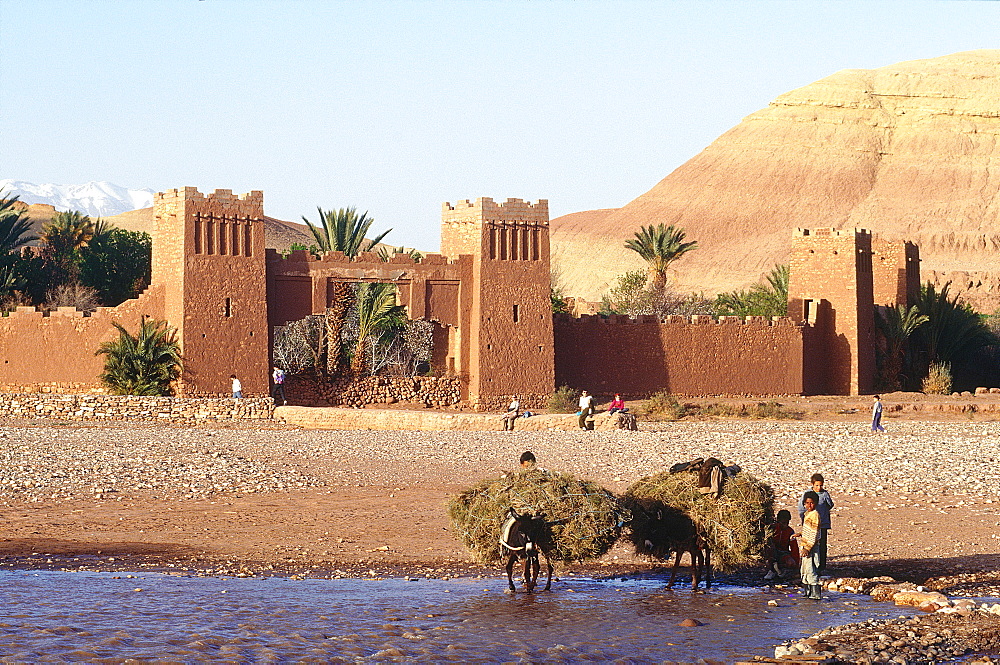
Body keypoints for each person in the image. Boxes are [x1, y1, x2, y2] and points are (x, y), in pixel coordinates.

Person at [798, 473, 834, 573]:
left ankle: (821, 566)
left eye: (821, 485)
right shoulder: (808, 494)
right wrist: (804, 520)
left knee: (822, 545)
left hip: (822, 524)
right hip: (810, 524)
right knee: (809, 543)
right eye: (817, 485)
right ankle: (809, 568)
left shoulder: (825, 494)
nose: (819, 488)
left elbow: (830, 504)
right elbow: (801, 507)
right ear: (812, 484)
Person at [795, 491, 822, 599]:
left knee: (811, 570)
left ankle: (815, 594)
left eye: (812, 503)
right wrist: (800, 534)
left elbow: (814, 533)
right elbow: (808, 530)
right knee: (804, 570)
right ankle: (807, 592)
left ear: (816, 503)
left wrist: (807, 548)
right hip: (805, 545)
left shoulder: (815, 515)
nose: (809, 505)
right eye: (807, 503)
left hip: (811, 547)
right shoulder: (807, 514)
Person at [764, 509, 799, 580]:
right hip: (772, 552)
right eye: (783, 523)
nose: (785, 525)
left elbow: (794, 548)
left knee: (790, 562)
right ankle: (772, 570)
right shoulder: (772, 529)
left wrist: (796, 566)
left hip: (783, 553)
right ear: (778, 520)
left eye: (787, 523)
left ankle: (779, 569)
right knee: (769, 556)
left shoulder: (790, 532)